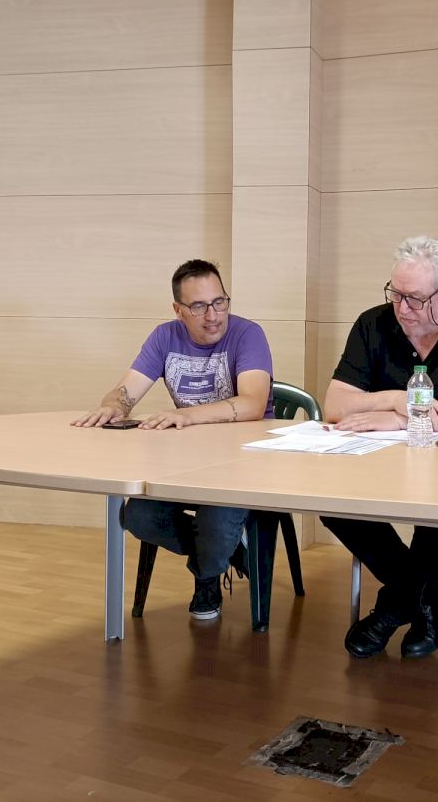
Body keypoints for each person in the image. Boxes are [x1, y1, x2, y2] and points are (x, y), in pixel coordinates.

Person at [321, 236, 438, 659]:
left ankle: (392, 608)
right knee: (334, 504)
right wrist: (395, 398)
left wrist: (403, 418)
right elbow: (335, 405)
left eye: (416, 298)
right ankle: (433, 598)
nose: (403, 308)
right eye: (396, 294)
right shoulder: (372, 323)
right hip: (382, 465)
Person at [71, 259, 273, 621]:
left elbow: (253, 403)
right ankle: (224, 552)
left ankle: (207, 575)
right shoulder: (164, 336)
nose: (212, 315)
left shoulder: (248, 333)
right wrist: (114, 406)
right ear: (178, 310)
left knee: (216, 517)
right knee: (138, 515)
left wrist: (187, 415)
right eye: (198, 306)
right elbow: (125, 391)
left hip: (244, 463)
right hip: (188, 463)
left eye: (219, 302)